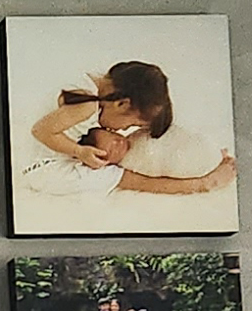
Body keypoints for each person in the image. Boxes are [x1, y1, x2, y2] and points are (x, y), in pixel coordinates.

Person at [18, 59, 236, 204]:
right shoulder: (87, 105)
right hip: (45, 170)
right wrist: (79, 152)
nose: (125, 129)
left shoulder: (92, 89)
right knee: (124, 177)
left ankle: (207, 158)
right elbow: (40, 131)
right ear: (122, 104)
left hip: (55, 153)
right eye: (132, 123)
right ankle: (205, 183)